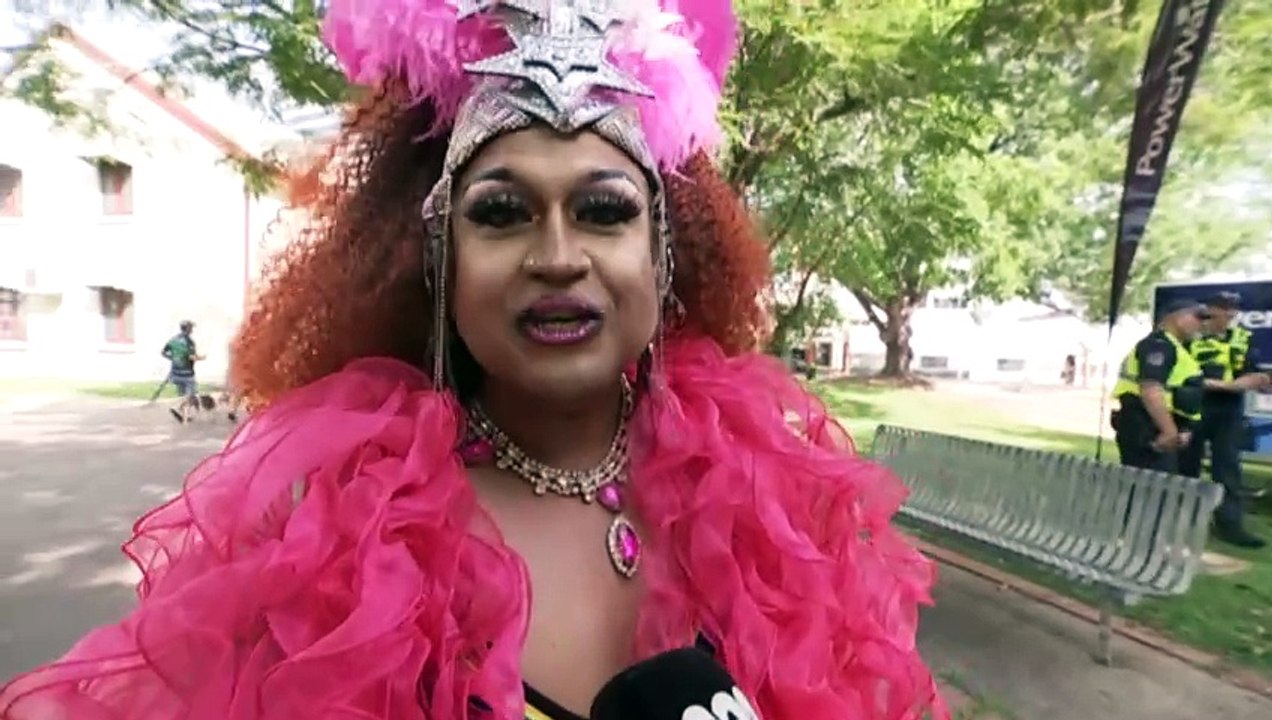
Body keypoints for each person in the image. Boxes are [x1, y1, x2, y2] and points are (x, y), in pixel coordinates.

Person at [0, 2, 944, 719]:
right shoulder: (331, 538)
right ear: (436, 258)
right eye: (501, 212)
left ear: (664, 255)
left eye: (607, 210)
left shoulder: (771, 503)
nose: (559, 255)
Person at [1179, 291, 1270, 548]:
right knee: (1186, 466)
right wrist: (1222, 385)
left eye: (1233, 309)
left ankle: (1229, 525)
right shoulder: (1191, 337)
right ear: (1209, 309)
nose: (1229, 314)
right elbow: (1182, 376)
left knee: (1228, 468)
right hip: (1195, 405)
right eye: (1223, 308)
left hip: (1229, 410)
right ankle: (1181, 522)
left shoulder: (1244, 337)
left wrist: (1255, 381)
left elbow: (1253, 373)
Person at [1110, 299, 1207, 473]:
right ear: (1178, 317)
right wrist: (1169, 431)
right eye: (1198, 317)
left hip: (1156, 426)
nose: (1201, 324)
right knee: (1149, 492)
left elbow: (1177, 392)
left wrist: (1183, 428)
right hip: (1145, 426)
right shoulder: (1159, 345)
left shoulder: (1175, 347)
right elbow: (1151, 389)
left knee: (1159, 491)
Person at [160, 320, 205, 423]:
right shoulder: (189, 342)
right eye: (191, 328)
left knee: (185, 395)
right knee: (190, 394)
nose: (192, 330)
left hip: (175, 373)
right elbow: (191, 357)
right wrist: (201, 358)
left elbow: (163, 352)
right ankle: (177, 408)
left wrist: (173, 358)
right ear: (188, 329)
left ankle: (186, 416)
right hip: (187, 374)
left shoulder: (173, 340)